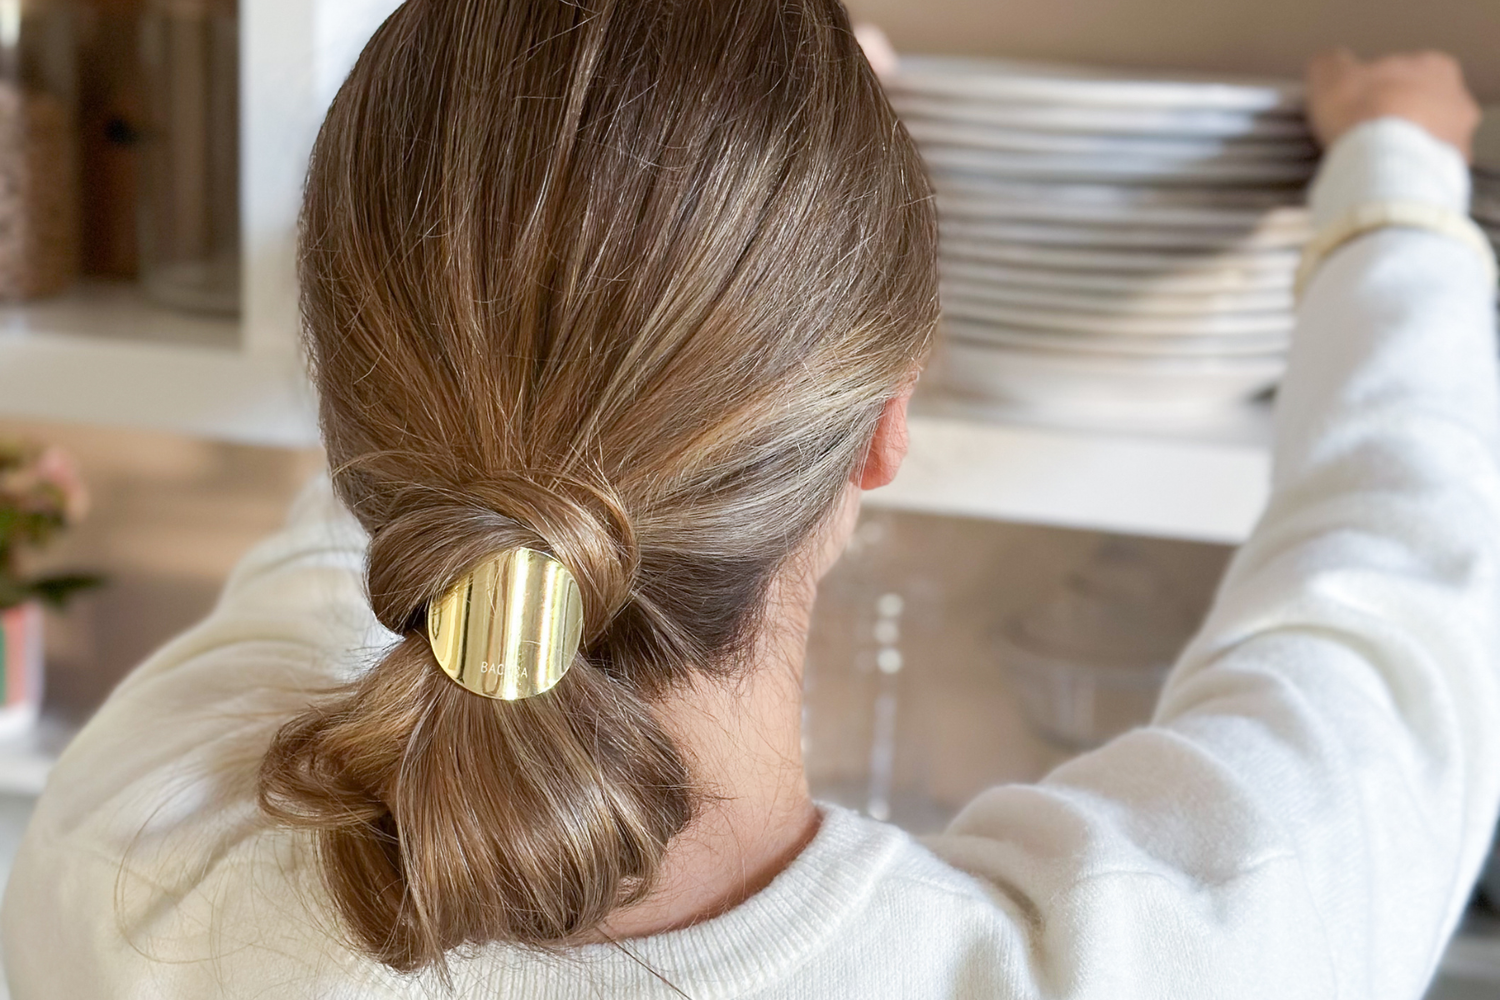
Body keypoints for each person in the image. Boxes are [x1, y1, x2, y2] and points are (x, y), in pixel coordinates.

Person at [2, 0, 1497, 993]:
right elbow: (1396, 612)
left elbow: (359, 544)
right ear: (884, 430)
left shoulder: (138, 861)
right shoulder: (1167, 954)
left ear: (348, 415)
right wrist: (1397, 186)